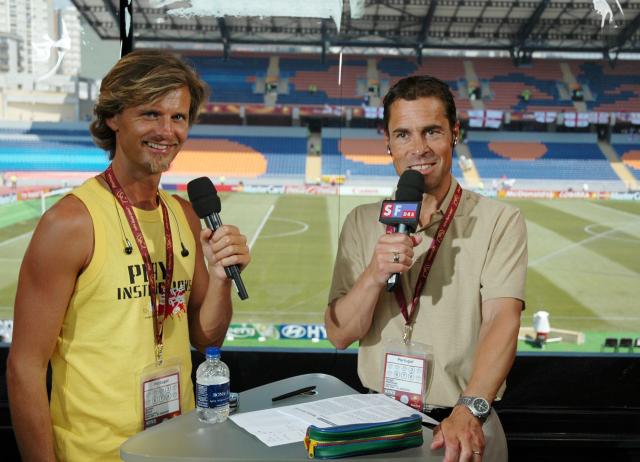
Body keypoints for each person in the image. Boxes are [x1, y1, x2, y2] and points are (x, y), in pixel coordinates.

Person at [7, 50, 251, 461]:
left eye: (178, 117)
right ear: (113, 117)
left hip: (179, 448)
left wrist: (220, 281)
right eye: (151, 114)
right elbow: (25, 368)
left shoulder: (185, 215)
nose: (167, 131)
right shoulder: (71, 223)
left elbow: (206, 338)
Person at [325, 75, 527, 462]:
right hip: (376, 422)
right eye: (403, 134)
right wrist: (374, 274)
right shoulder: (361, 222)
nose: (418, 148)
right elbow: (339, 334)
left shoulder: (499, 220)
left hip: (461, 426)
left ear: (455, 133)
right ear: (388, 142)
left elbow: (502, 319)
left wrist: (469, 409)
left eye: (431, 131)